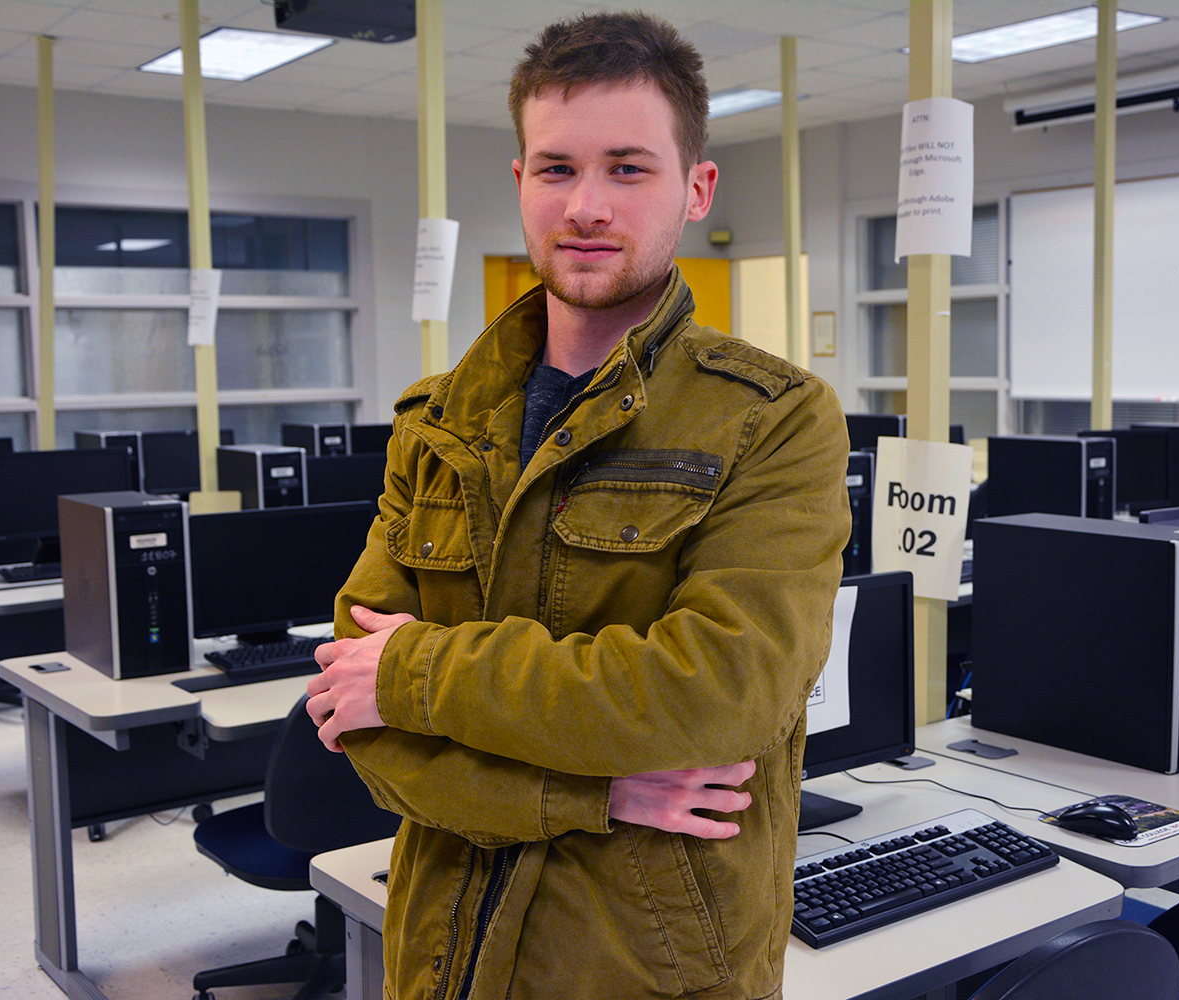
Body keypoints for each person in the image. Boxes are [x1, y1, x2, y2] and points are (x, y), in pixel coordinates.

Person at [305, 11, 851, 999]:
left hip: (643, 971)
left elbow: (722, 692)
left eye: (628, 168)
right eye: (557, 169)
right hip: (440, 957)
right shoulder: (435, 422)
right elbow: (358, 718)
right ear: (519, 183)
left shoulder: (776, 420)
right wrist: (598, 787)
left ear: (696, 189)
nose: (587, 203)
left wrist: (418, 671)